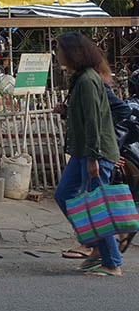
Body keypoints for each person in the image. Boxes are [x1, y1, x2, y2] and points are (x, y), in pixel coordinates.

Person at [52, 32, 122, 277]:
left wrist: (93, 157)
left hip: (95, 152)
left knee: (97, 206)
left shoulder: (87, 80)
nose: (57, 54)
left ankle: (112, 262)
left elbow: (93, 121)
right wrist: (66, 111)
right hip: (84, 150)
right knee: (64, 195)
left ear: (73, 53)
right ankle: (95, 246)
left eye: (60, 49)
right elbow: (84, 114)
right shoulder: (80, 78)